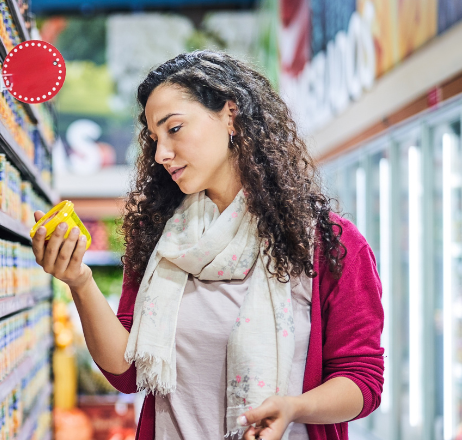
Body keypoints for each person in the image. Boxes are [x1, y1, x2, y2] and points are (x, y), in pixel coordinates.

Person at [31, 50, 383, 440]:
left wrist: (295, 406)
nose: (162, 153)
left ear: (230, 115)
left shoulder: (328, 244)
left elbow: (362, 380)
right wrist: (80, 280)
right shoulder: (161, 239)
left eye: (175, 128)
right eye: (154, 138)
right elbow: (126, 372)